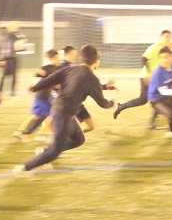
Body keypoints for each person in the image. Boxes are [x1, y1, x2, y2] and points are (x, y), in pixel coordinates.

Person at [14, 44, 115, 173]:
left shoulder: (71, 69)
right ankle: (24, 168)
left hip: (62, 110)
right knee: (55, 151)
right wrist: (112, 103)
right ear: (96, 61)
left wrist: (35, 87)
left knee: (79, 139)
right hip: (63, 114)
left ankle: (44, 151)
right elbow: (103, 103)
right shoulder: (92, 78)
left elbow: (50, 79)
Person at [113, 29, 172, 127]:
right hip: (147, 77)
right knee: (152, 99)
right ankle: (122, 107)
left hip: (155, 79)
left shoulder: (166, 49)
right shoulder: (155, 47)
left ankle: (151, 121)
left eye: (169, 38)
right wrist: (149, 74)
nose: (168, 39)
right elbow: (143, 59)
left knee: (150, 99)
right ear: (161, 37)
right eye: (166, 37)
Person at [14, 48, 61, 141]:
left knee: (52, 115)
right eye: (56, 58)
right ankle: (24, 132)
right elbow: (35, 78)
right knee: (39, 116)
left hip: (50, 97)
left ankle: (47, 134)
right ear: (52, 58)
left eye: (58, 57)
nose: (58, 59)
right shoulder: (46, 68)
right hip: (42, 96)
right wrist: (33, 87)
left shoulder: (58, 68)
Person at [0, 23, 26, 97]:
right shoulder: (5, 37)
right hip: (6, 58)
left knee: (13, 75)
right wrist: (0, 60)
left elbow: (20, 45)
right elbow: (0, 48)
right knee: (4, 76)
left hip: (12, 58)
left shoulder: (15, 36)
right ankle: (0, 91)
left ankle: (12, 92)